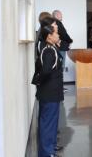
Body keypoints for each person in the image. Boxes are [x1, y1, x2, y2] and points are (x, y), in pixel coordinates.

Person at [36, 25, 64, 157]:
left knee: (52, 124)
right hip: (49, 94)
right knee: (48, 124)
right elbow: (45, 72)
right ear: (49, 36)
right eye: (56, 33)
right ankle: (46, 153)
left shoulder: (52, 48)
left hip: (52, 93)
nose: (58, 35)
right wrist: (40, 83)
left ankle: (50, 149)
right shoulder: (48, 51)